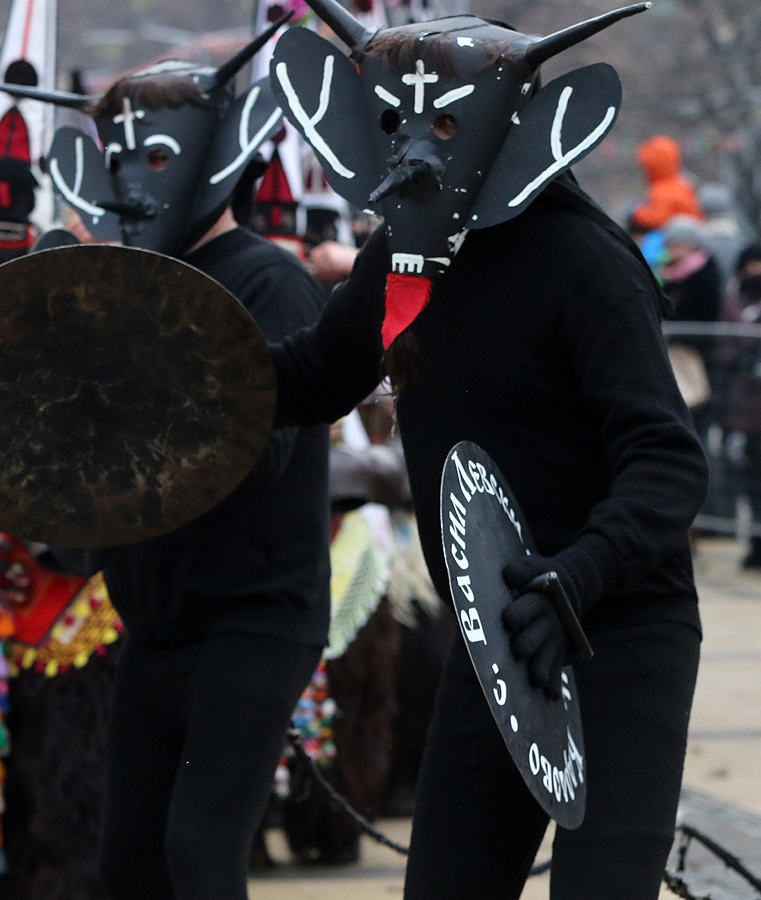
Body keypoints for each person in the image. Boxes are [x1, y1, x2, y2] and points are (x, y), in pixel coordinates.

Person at [266, 4, 708, 898]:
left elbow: (666, 462)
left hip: (620, 633)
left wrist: (578, 577)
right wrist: (157, 363)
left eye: (444, 121)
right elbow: (311, 377)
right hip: (493, 636)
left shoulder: (587, 264)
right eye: (398, 120)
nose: (417, 148)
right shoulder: (403, 254)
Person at [27, 34, 332, 900]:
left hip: (253, 619)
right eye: (119, 158)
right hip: (154, 620)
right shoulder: (126, 281)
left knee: (201, 857)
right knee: (129, 867)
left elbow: (257, 453)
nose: (133, 182)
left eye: (157, 155)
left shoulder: (268, 281)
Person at [718, 244, 761, 568]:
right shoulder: (733, 302)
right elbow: (721, 346)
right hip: (746, 407)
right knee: (749, 477)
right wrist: (741, 357)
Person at [630, 135, 704, 233]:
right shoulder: (681, 183)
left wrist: (637, 213)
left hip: (678, 237)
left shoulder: (661, 190)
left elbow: (658, 218)